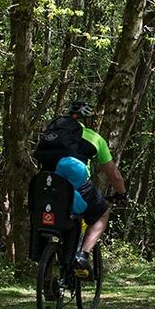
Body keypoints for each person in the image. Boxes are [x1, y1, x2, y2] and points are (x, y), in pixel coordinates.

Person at [46, 101, 126, 272]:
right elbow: (114, 175)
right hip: (76, 187)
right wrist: (121, 193)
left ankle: (47, 276)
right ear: (88, 121)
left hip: (47, 186)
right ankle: (82, 255)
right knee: (102, 213)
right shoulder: (93, 138)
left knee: (49, 221)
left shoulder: (51, 134)